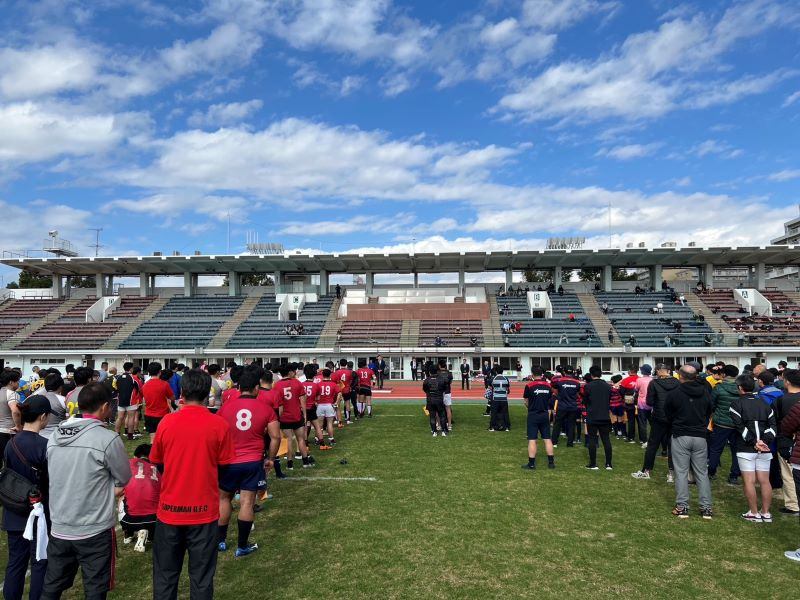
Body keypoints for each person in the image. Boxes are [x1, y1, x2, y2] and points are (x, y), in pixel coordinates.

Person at [149, 369, 235, 599]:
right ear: (208, 392)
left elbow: (157, 463)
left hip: (173, 512)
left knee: (165, 578)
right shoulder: (218, 424)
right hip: (202, 514)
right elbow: (224, 466)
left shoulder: (168, 422)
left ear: (182, 392)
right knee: (201, 579)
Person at [42, 383, 131, 600]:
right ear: (104, 408)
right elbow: (123, 477)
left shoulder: (54, 436)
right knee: (95, 588)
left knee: (52, 585)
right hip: (94, 529)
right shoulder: (107, 439)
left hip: (60, 523)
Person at [217, 368, 279, 557]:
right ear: (256, 388)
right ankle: (242, 545)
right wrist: (270, 458)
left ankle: (220, 541)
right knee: (246, 502)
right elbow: (275, 436)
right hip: (252, 460)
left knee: (224, 498)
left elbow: (217, 434)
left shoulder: (225, 408)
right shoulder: (265, 408)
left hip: (228, 460)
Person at [2, 396, 51, 600]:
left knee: (16, 563)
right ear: (43, 417)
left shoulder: (11, 443)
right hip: (38, 512)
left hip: (14, 510)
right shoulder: (46, 445)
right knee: (39, 562)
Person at [665, 366, 713, 519]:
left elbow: (668, 413)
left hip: (682, 435)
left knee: (681, 472)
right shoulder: (705, 392)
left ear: (680, 376)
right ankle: (706, 508)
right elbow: (709, 411)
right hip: (699, 435)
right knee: (702, 473)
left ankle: (682, 506)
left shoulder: (675, 393)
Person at [730, 373, 777, 523]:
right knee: (764, 481)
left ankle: (754, 513)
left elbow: (740, 427)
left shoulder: (736, 404)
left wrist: (754, 442)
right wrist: (763, 441)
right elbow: (773, 427)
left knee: (749, 481)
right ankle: (766, 513)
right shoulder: (765, 404)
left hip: (746, 448)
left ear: (740, 388)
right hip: (764, 447)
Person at [633, 364, 679, 482]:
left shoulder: (654, 383)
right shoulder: (678, 383)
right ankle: (671, 474)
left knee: (653, 445)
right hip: (674, 418)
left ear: (658, 372)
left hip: (659, 417)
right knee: (672, 446)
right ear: (669, 371)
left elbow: (649, 401)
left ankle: (646, 471)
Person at [121, 444, 160, 553]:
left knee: (123, 494)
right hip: (154, 519)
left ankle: (128, 533)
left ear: (135, 456)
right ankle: (148, 533)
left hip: (130, 520)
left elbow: (119, 489)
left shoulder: (129, 463)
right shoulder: (158, 469)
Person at [708, 364, 743, 484]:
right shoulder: (741, 388)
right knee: (736, 451)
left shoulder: (719, 387)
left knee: (715, 449)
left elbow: (711, 404)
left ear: (723, 374)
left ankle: (711, 472)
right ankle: (734, 475)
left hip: (721, 423)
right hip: (737, 424)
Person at [274, 363, 312, 469]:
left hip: (284, 417)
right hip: (296, 415)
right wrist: (304, 415)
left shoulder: (277, 385)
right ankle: (305, 462)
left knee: (288, 440)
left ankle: (290, 464)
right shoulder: (297, 382)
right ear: (290, 372)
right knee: (300, 439)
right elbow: (303, 401)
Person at [776, 368, 800, 516]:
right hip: (790, 438)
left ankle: (793, 505)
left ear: (787, 382)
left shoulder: (781, 400)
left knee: (788, 474)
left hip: (788, 440)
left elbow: (783, 424)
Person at [521, 366, 555, 470]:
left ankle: (531, 464)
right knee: (547, 439)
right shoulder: (548, 386)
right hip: (544, 414)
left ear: (532, 374)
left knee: (532, 439)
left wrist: (529, 406)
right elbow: (550, 399)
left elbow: (526, 401)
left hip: (533, 414)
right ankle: (551, 463)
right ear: (542, 374)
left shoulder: (529, 385)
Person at [583, 366, 613, 470]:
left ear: (591, 374)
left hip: (592, 415)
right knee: (606, 439)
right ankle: (608, 464)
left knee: (592, 439)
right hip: (604, 415)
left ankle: (593, 463)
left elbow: (585, 401)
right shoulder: (607, 386)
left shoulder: (588, 386)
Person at [142, 362, 175, 443]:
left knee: (152, 439)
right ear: (160, 371)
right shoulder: (164, 384)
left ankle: (152, 455)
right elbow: (172, 397)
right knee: (163, 438)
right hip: (162, 415)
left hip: (148, 415)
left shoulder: (144, 385)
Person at [550, 366, 580, 447]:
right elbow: (577, 394)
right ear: (572, 372)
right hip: (572, 406)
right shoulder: (577, 382)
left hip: (562, 406)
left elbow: (554, 390)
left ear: (564, 372)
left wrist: (560, 394)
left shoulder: (559, 381)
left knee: (557, 424)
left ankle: (554, 442)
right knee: (571, 424)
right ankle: (570, 443)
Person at [113, 362, 140, 441]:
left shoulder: (118, 377)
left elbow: (115, 387)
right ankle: (130, 436)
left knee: (119, 418)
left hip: (120, 401)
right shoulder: (133, 378)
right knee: (131, 418)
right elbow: (138, 389)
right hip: (131, 401)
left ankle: (116, 435)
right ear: (131, 368)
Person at [0, 369, 22, 465]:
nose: (19, 384)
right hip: (8, 431)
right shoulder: (13, 394)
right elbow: (15, 411)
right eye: (18, 381)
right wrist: (18, 426)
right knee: (9, 462)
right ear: (11, 382)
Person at [316, 369, 342, 445]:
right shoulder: (333, 384)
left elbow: (316, 395)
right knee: (329, 423)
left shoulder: (318, 384)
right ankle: (331, 439)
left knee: (319, 425)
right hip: (329, 405)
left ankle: (318, 440)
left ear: (322, 375)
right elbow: (339, 393)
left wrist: (316, 402)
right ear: (330, 375)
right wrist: (336, 402)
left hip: (320, 405)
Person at [38, 373, 67, 439]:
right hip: (57, 437)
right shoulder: (64, 400)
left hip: (40, 435)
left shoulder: (38, 399)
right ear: (60, 386)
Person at [423, 364, 447, 437]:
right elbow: (444, 389)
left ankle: (434, 432)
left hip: (430, 400)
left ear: (429, 372)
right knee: (442, 416)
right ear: (437, 371)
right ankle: (443, 431)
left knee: (432, 416)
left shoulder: (426, 380)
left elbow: (425, 390)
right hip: (439, 400)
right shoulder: (441, 379)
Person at [633, 365, 654, 446]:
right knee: (653, 423)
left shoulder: (639, 380)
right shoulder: (653, 380)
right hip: (651, 404)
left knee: (642, 423)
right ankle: (653, 440)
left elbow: (635, 390)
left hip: (642, 404)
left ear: (643, 371)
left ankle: (644, 441)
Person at [488, 366, 510, 432]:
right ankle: (507, 427)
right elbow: (507, 389)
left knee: (494, 413)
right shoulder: (506, 379)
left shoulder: (493, 378)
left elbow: (490, 388)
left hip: (495, 398)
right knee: (505, 413)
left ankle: (492, 427)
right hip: (504, 398)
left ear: (496, 371)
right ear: (502, 371)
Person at [620, 367, 639, 443]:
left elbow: (621, 392)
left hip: (629, 403)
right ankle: (642, 439)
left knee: (631, 421)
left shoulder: (625, 380)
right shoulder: (640, 379)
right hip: (639, 403)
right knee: (640, 422)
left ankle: (631, 437)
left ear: (629, 371)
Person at [438, 359, 454, 432]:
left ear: (439, 365)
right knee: (448, 409)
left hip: (439, 393)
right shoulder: (449, 373)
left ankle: (439, 425)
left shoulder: (437, 373)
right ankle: (449, 425)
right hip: (447, 392)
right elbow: (450, 382)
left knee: (438, 409)